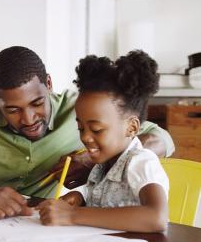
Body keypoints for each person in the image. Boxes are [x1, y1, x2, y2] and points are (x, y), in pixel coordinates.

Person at [0, 46, 174, 220]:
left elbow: (160, 139)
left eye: (38, 103)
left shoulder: (82, 110)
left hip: (41, 225)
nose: (29, 119)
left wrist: (95, 160)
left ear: (48, 83)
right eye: (11, 109)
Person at [36, 50, 169, 232]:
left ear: (131, 127)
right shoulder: (103, 164)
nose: (85, 137)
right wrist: (79, 197)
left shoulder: (140, 161)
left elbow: (157, 218)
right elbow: (102, 196)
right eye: (81, 128)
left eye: (96, 129)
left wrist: (72, 216)